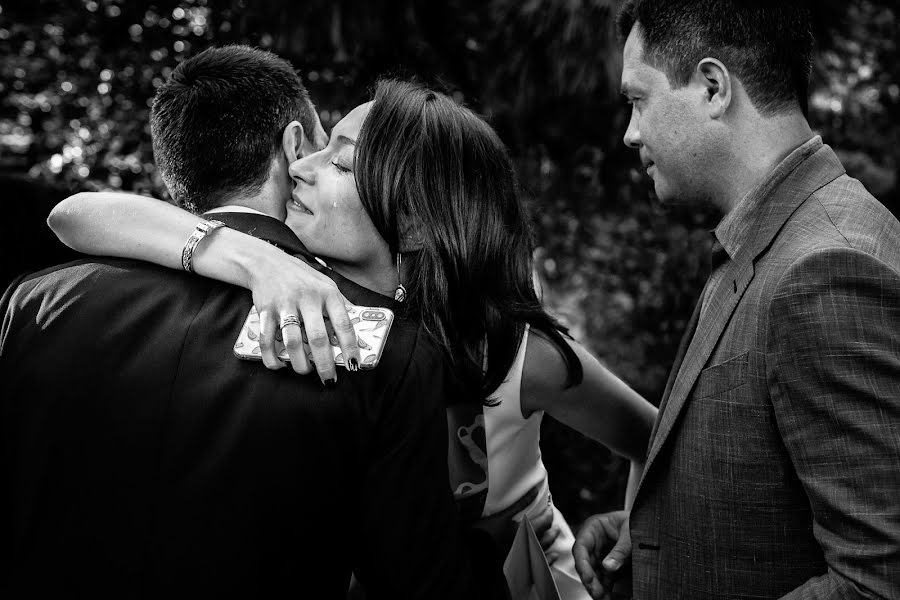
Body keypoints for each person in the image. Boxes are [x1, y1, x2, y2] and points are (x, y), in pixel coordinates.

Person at [48, 79, 658, 597]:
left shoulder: (516, 352)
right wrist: (241, 255)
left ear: (416, 217)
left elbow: (655, 436)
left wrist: (637, 533)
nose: (298, 168)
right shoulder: (299, 300)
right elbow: (75, 215)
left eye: (340, 162)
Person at [0, 45, 511, 599]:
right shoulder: (381, 350)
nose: (302, 169)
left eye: (340, 163)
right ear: (291, 141)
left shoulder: (37, 300)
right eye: (321, 149)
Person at [573, 1, 900, 598]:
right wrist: (651, 541)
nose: (630, 132)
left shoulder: (825, 268)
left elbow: (878, 580)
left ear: (713, 87)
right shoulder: (765, 238)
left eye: (638, 100)